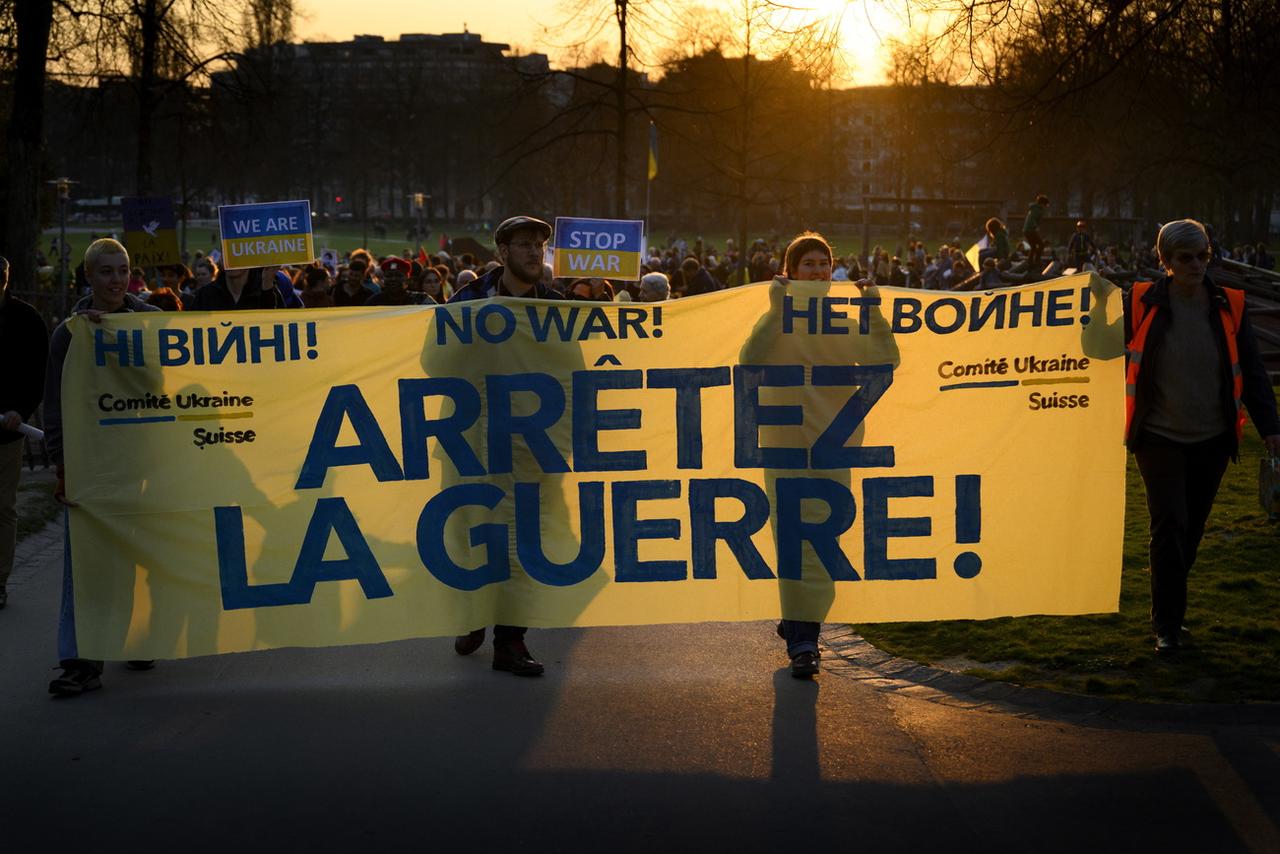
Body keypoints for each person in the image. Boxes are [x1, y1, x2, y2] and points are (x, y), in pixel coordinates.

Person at [742, 232, 898, 678]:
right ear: (789, 272)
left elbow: (885, 359)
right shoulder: (774, 320)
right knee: (793, 538)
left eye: (823, 264)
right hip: (784, 446)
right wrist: (777, 311)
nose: (817, 271)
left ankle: (799, 620)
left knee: (824, 540)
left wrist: (873, 311)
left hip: (835, 445)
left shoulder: (844, 323)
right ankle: (804, 640)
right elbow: (749, 359)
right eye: (807, 264)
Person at [1123, 219, 1280, 654]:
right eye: (1186, 257)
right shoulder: (1140, 301)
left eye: (1204, 255)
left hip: (1212, 439)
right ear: (1166, 262)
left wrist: (1271, 427)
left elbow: (1251, 369)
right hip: (1157, 437)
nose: (1197, 264)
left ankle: (1170, 609)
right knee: (1169, 524)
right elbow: (1095, 342)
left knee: (1189, 531)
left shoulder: (1230, 304)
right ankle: (1167, 627)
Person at [46, 239, 163, 695]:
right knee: (85, 563)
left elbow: (163, 381)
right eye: (106, 272)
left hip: (140, 460)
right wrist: (61, 464)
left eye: (123, 271)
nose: (116, 280)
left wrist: (124, 335)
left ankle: (135, 637)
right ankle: (80, 661)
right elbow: (55, 404)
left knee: (134, 554)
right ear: (89, 278)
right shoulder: (69, 334)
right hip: (91, 464)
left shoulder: (150, 323)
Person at [448, 216, 559, 677]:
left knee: (523, 543)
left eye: (540, 245)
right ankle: (474, 615)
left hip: (534, 445)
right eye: (524, 244)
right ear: (502, 253)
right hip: (475, 440)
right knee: (477, 538)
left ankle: (509, 642)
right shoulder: (469, 301)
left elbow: (579, 365)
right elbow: (433, 360)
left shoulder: (556, 306)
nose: (535, 252)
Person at [0, 255, 50, 611]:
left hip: (8, 431)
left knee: (3, 506)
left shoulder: (26, 319)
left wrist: (22, 409)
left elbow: (37, 373)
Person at [190, 264, 286, 310]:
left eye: (237, 253)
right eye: (227, 254)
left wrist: (267, 288)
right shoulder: (206, 295)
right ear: (221, 259)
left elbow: (279, 327)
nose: (231, 261)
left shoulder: (267, 290)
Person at [1023, 194, 1049, 270]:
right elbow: (1032, 219)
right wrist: (1035, 227)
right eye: (1045, 205)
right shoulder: (1037, 210)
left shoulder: (1035, 208)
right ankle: (1036, 260)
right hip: (1030, 230)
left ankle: (1030, 261)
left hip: (1027, 230)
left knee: (1034, 246)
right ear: (1042, 204)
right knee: (1041, 244)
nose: (1045, 207)